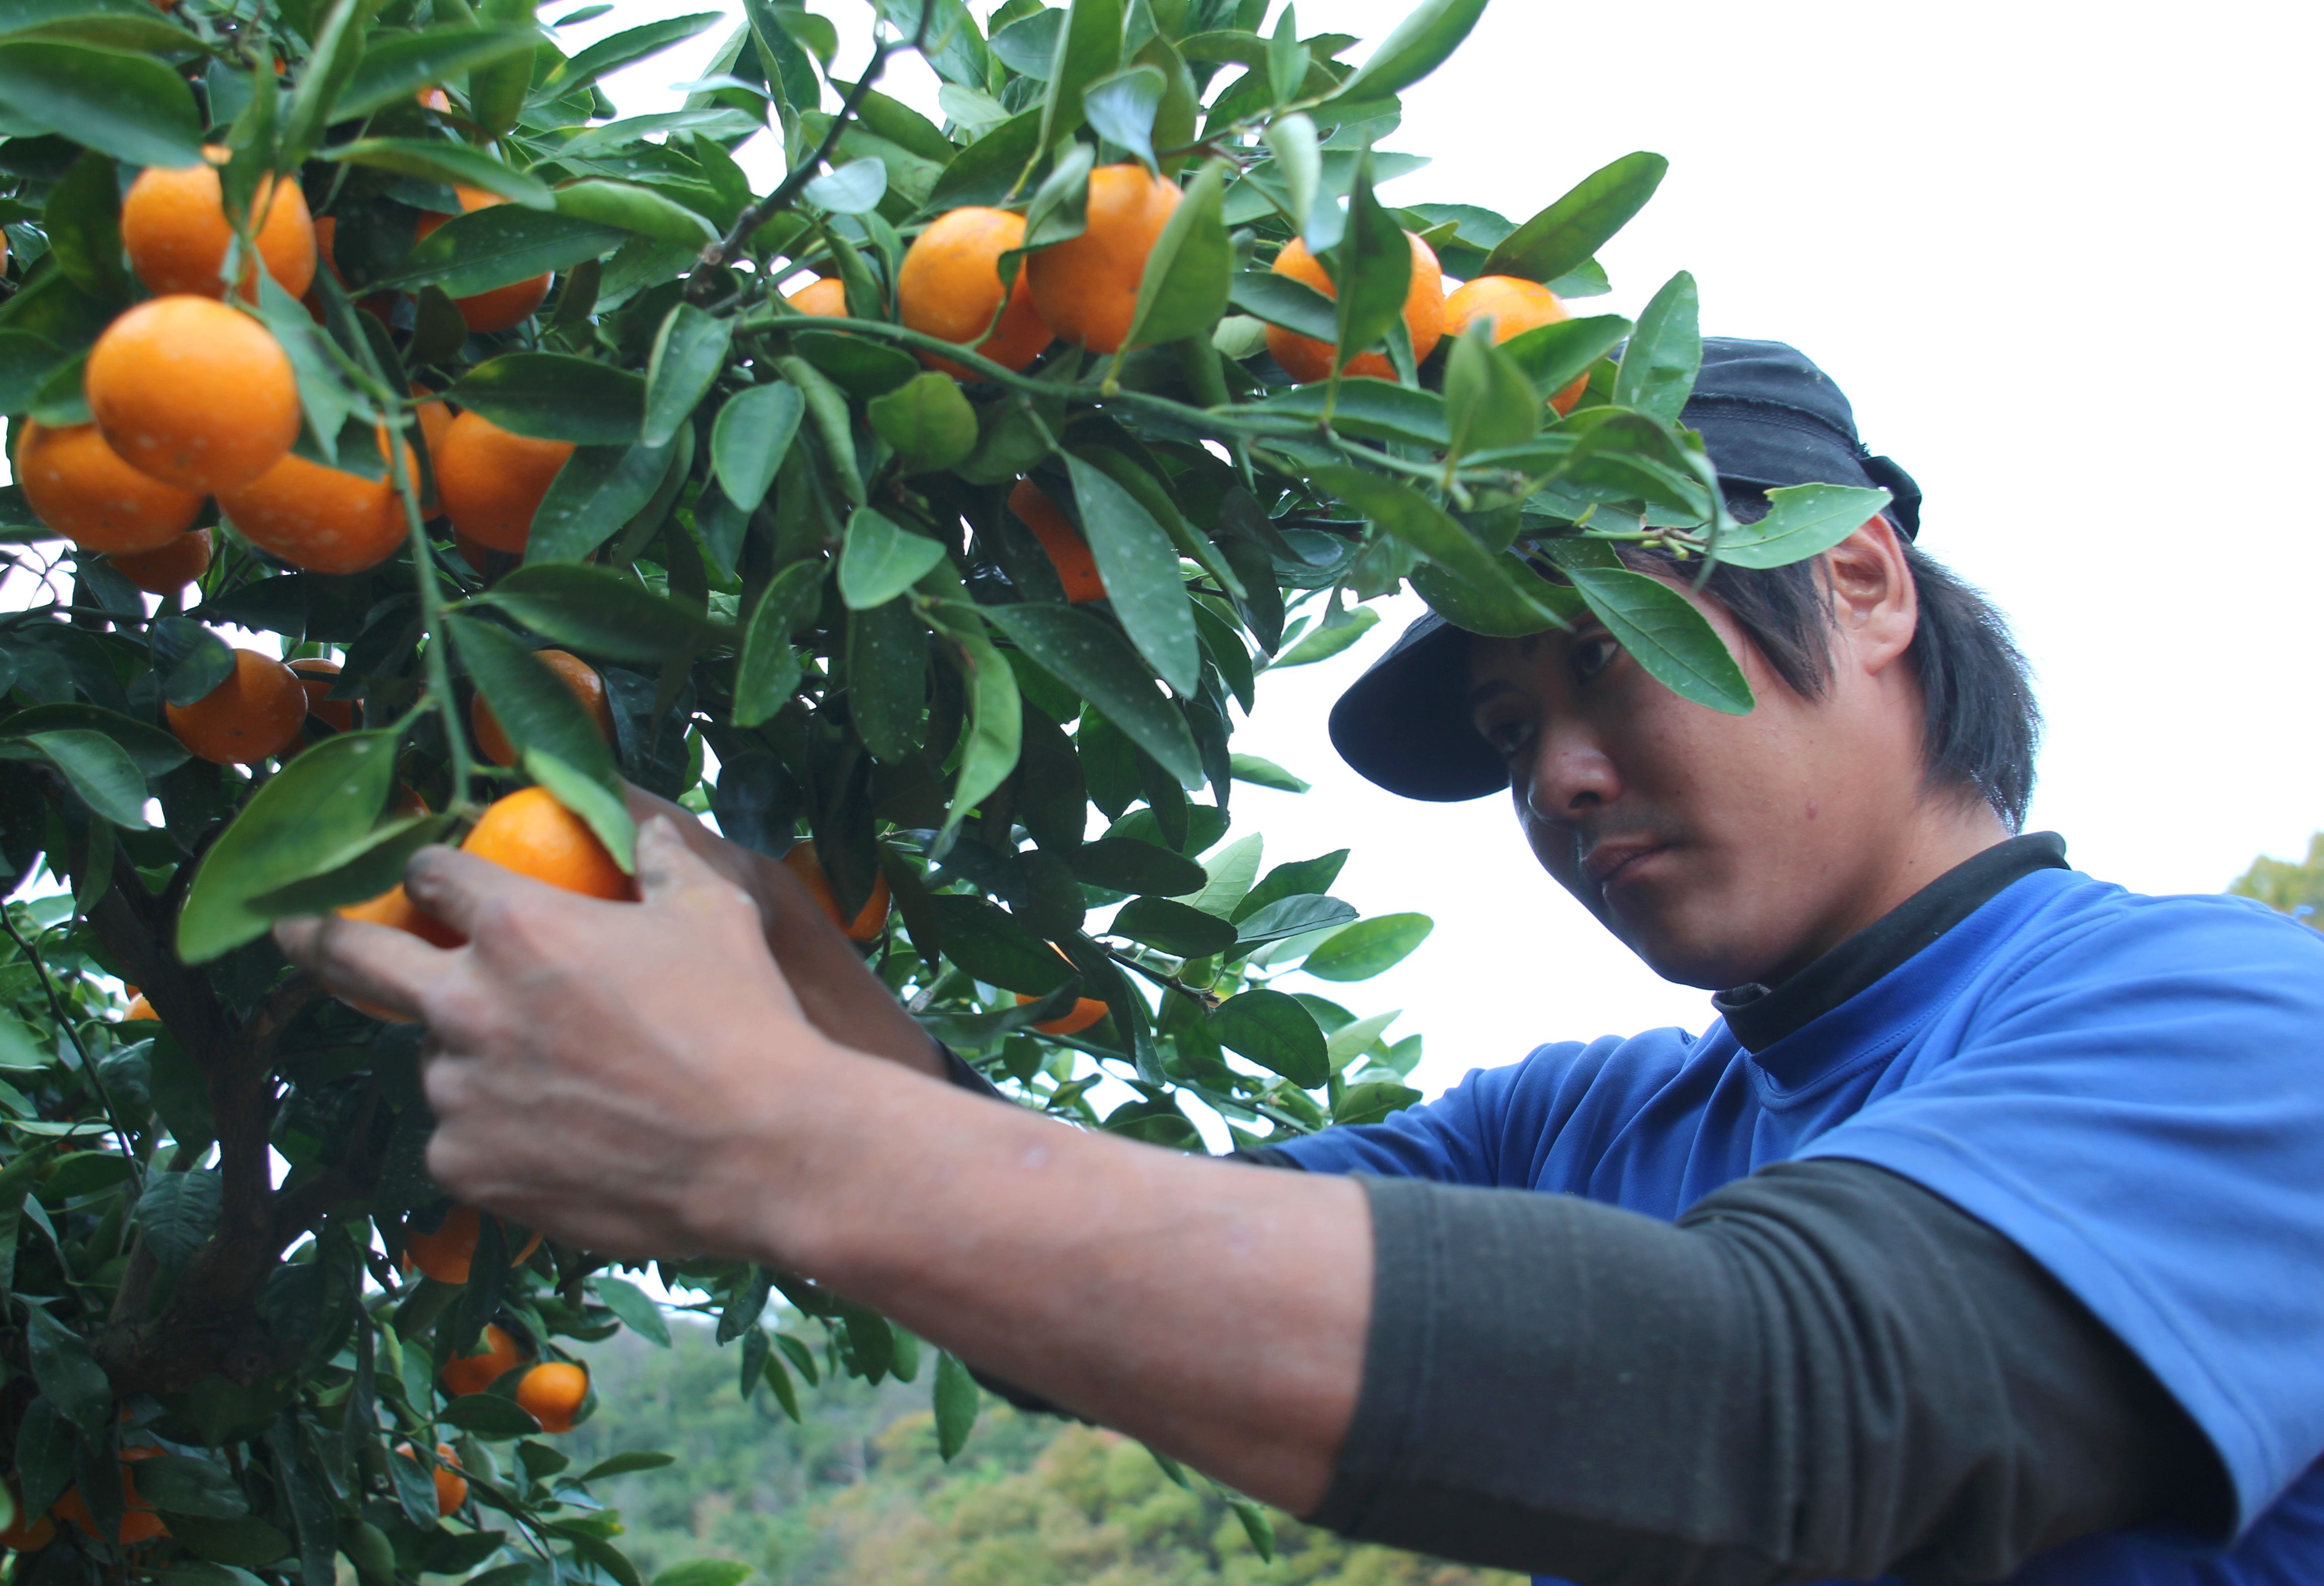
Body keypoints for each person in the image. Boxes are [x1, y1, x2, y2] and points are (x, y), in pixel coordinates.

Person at [280, 341, 2324, 1586]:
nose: (1565, 781)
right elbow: (1104, 1269)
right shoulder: (1603, 1117)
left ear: (1862, 580)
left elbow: (1800, 1397)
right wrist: (788, 968)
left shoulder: (2231, 1023)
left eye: (1604, 664)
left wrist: (783, 1138)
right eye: (1518, 733)